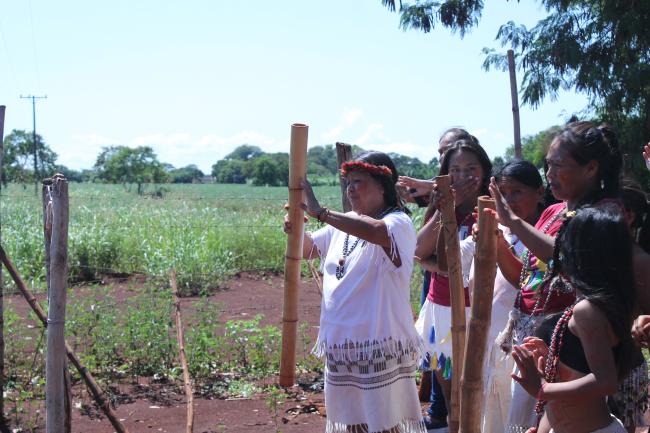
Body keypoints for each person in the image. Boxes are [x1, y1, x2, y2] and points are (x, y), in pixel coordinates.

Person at [489, 121, 624, 433]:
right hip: (546, 335)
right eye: (547, 165)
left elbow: (565, 257)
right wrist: (498, 243)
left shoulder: (602, 216)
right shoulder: (553, 212)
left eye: (557, 165)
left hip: (578, 341)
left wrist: (512, 221)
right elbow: (529, 278)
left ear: (591, 168)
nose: (548, 175)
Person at [284, 151, 425, 433]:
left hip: (377, 344)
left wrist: (322, 213)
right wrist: (295, 227)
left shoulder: (398, 223)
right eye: (347, 182)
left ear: (383, 185)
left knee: (384, 425)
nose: (350, 189)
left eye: (358, 181)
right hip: (342, 348)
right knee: (353, 426)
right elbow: (307, 249)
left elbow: (376, 233)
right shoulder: (344, 223)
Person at [511, 205, 637, 433]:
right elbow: (582, 369)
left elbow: (605, 381)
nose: (557, 255)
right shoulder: (594, 304)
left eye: (563, 247)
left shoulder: (587, 310)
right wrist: (553, 360)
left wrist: (541, 389)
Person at [413, 138, 492, 430]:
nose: (462, 177)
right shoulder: (441, 204)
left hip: (479, 310)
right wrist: (450, 206)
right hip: (441, 307)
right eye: (455, 170)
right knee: (448, 386)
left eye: (471, 169)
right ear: (445, 174)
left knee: (477, 383)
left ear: (484, 172)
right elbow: (419, 251)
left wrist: (445, 267)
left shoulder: (491, 207)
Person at [472, 160, 545, 433]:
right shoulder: (497, 229)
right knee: (497, 406)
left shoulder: (543, 235)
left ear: (539, 192)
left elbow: (523, 279)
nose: (509, 200)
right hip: (495, 336)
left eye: (517, 192)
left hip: (527, 338)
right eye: (502, 193)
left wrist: (499, 245)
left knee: (520, 411)